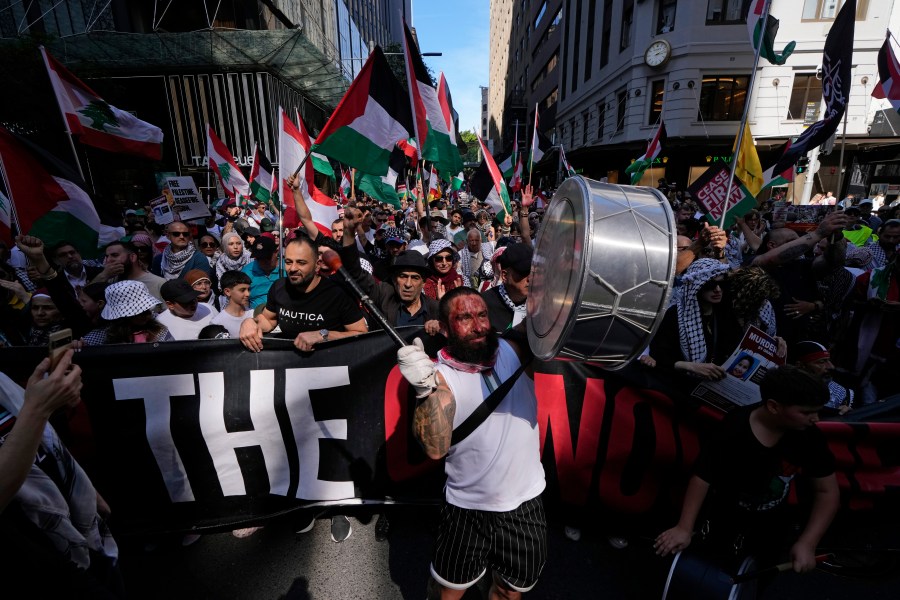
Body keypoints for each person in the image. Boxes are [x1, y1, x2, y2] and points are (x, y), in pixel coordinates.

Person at [398, 287, 546, 600]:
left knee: (509, 591)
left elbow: (547, 317)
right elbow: (435, 448)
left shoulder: (512, 350)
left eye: (481, 315)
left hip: (525, 503)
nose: (478, 325)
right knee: (448, 593)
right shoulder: (439, 377)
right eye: (464, 318)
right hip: (467, 508)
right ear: (445, 327)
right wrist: (425, 392)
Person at [655, 366, 840, 577]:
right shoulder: (735, 428)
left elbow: (827, 492)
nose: (815, 419)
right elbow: (703, 476)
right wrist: (684, 528)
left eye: (818, 411)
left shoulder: (809, 436)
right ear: (773, 406)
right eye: (806, 412)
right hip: (723, 521)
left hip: (771, 529)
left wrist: (808, 543)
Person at [0, 351, 122, 597]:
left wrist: (82, 487)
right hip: (35, 556)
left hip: (81, 525)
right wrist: (38, 408)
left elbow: (40, 438)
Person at [238, 234, 368, 353]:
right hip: (292, 366)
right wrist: (250, 323)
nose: (293, 268)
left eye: (301, 263)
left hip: (331, 367)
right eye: (288, 262)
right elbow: (268, 319)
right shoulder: (279, 287)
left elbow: (361, 333)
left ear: (317, 265)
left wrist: (323, 335)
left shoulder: (338, 293)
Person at [338, 208, 441, 334]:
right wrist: (348, 232)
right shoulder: (384, 294)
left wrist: (442, 325)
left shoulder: (436, 310)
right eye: (403, 276)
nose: (408, 284)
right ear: (394, 278)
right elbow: (355, 274)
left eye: (415, 278)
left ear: (424, 282)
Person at [791, 341, 853, 415]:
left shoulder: (842, 394)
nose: (831, 366)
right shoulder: (784, 391)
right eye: (822, 362)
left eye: (829, 360)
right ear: (800, 365)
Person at [481, 242, 532, 332]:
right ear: (504, 275)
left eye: (534, 273)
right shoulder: (483, 305)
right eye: (523, 272)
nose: (530, 278)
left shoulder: (541, 304)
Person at [241, 236, 282, 309]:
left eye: (267, 257)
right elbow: (242, 299)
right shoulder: (247, 272)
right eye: (259, 258)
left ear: (276, 252)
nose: (263, 261)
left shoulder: (286, 268)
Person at [210, 270, 254, 338]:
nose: (248, 294)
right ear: (227, 292)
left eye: (249, 290)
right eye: (242, 290)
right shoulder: (217, 322)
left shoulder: (253, 314)